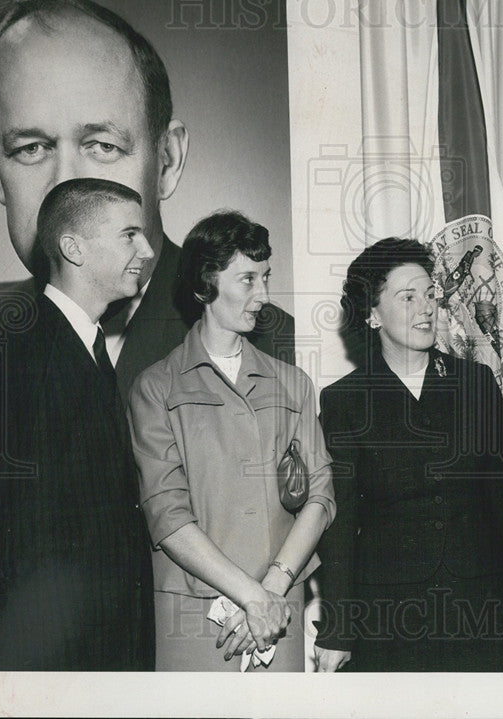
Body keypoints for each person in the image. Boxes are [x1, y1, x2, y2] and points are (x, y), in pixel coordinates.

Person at [0, 0, 293, 584]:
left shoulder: (270, 346)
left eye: (102, 146)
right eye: (31, 148)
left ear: (167, 160)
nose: (66, 187)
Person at [127, 211, 335, 671]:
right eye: (247, 280)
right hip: (195, 613)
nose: (263, 295)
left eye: (266, 278)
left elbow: (320, 495)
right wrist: (249, 596)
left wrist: (272, 591)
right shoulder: (156, 388)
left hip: (279, 611)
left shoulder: (293, 384)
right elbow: (166, 514)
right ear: (205, 285)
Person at [0, 178, 155, 670]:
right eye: (129, 235)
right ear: (73, 248)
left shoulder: (80, 347)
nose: (148, 249)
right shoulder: (21, 353)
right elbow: (7, 538)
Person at [313, 238, 503, 672]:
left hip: (478, 608)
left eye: (429, 295)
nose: (426, 308)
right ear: (371, 314)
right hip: (388, 617)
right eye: (407, 297)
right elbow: (341, 521)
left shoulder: (476, 383)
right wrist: (337, 628)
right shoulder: (345, 401)